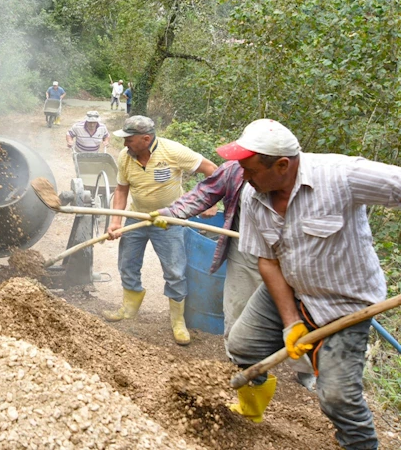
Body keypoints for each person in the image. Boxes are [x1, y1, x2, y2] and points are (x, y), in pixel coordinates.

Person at [221, 119, 395, 448]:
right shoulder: (254, 194)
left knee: (337, 397)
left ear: (283, 165)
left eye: (250, 170)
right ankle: (251, 411)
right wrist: (290, 324)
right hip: (289, 286)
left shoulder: (341, 175)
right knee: (243, 344)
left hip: (344, 303)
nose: (244, 178)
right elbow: (268, 261)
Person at [150, 159, 316, 390]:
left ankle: (306, 369)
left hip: (291, 254)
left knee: (301, 314)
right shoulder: (234, 170)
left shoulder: (306, 175)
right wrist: (172, 212)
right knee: (237, 311)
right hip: (246, 249)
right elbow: (205, 192)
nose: (245, 167)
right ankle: (243, 369)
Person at [104, 115, 217, 345]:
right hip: (137, 218)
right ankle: (128, 309)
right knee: (127, 263)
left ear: (146, 139)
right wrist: (116, 221)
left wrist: (212, 202)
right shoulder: (125, 157)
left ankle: (177, 321)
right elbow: (121, 190)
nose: (125, 144)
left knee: (175, 271)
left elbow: (212, 170)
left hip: (169, 221)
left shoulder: (173, 151)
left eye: (129, 139)